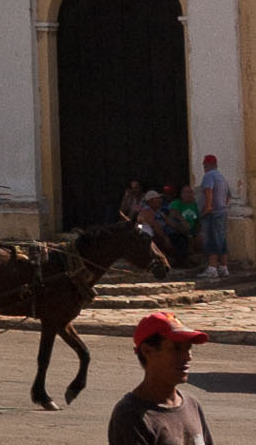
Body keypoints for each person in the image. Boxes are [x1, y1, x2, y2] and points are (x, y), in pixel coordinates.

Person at [108, 312, 214, 445]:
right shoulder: (131, 416)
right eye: (176, 349)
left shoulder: (192, 405)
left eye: (188, 348)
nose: (187, 357)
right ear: (147, 351)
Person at [197, 156, 231, 279]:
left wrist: (208, 207)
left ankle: (212, 268)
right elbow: (228, 195)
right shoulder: (222, 177)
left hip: (212, 213)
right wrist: (222, 205)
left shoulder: (209, 176)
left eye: (204, 165)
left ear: (206, 165)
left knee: (210, 239)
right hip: (222, 211)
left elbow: (208, 191)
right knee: (221, 239)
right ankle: (223, 267)